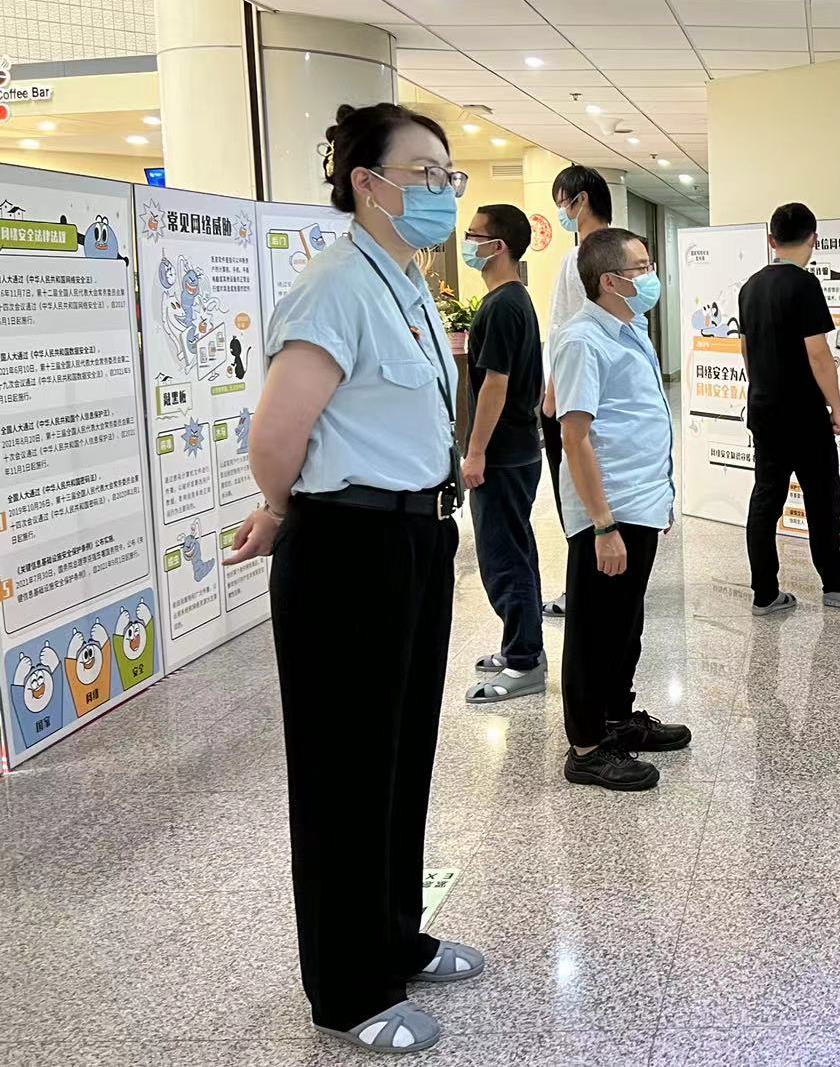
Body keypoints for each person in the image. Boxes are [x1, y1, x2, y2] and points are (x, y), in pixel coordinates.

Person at [224, 103, 481, 1055]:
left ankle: (395, 939)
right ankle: (347, 989)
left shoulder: (405, 283)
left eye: (449, 175)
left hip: (414, 538)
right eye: (424, 173)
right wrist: (283, 507)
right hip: (349, 548)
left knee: (401, 754)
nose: (443, 191)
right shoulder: (335, 286)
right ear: (367, 183)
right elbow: (275, 437)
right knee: (345, 769)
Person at [553, 226, 689, 790]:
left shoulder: (630, 328)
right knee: (594, 628)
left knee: (624, 624)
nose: (652, 276)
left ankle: (615, 717)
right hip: (608, 511)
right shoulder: (582, 340)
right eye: (643, 267)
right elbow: (575, 436)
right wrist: (603, 525)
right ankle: (586, 747)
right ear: (610, 281)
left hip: (641, 501)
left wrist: (662, 495)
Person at [739, 202, 840, 616]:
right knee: (823, 500)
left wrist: (762, 388)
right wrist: (837, 408)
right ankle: (835, 584)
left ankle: (765, 593)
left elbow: (746, 349)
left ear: (772, 241)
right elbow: (819, 355)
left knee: (766, 501)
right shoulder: (805, 285)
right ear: (814, 239)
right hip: (802, 415)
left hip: (764, 411)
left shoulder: (750, 287)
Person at [461, 203, 546, 704]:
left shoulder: (501, 306)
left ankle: (523, 661)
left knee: (503, 558)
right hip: (518, 448)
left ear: (499, 246)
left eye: (474, 235)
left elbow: (495, 385)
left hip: (502, 453)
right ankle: (523, 645)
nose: (467, 242)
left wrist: (476, 453)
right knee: (517, 549)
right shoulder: (516, 299)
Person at [540, 165, 613, 618]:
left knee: (575, 489)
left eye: (561, 203)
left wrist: (551, 397)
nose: (561, 211)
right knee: (606, 484)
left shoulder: (580, 258)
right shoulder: (626, 250)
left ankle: (580, 587)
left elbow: (563, 331)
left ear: (580, 200)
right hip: (610, 394)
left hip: (574, 395)